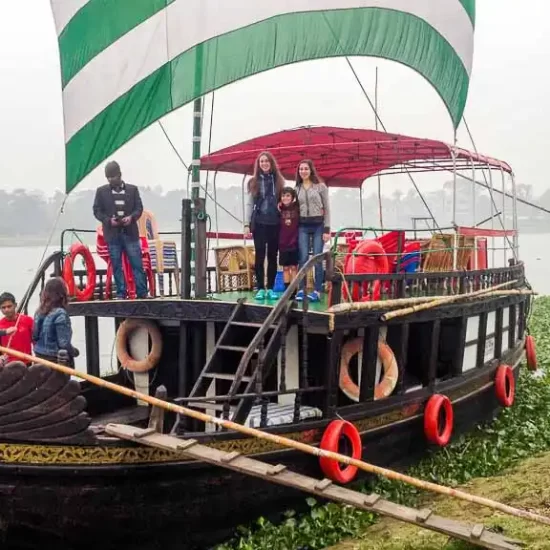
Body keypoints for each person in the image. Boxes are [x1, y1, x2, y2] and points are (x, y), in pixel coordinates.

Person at [93, 160, 148, 299]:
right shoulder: (101, 191)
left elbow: (139, 208)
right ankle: (121, 293)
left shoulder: (132, 190)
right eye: (108, 178)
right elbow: (97, 211)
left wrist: (131, 218)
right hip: (113, 234)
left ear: (120, 175)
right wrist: (108, 221)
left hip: (130, 233)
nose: (111, 180)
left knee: (137, 264)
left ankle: (142, 293)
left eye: (113, 177)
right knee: (117, 266)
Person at [244, 152, 285, 301]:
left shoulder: (280, 181)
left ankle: (272, 288)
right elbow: (249, 204)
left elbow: (285, 201)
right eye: (262, 161)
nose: (264, 163)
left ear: (271, 163)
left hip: (275, 223)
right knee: (260, 256)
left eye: (267, 161)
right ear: (258, 164)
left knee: (273, 256)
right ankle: (261, 287)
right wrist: (246, 224)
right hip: (259, 223)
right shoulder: (253, 182)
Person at [295, 160, 331, 303]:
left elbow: (327, 208)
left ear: (311, 170)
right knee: (302, 257)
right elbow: (292, 207)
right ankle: (301, 289)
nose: (303, 171)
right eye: (301, 169)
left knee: (317, 257)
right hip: (302, 225)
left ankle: (317, 290)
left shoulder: (320, 187)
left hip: (318, 226)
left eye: (306, 169)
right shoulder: (297, 188)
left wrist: (327, 229)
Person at [33, 278, 79, 366]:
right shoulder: (60, 314)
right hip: (54, 357)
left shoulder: (39, 311)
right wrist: (74, 352)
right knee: (69, 358)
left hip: (39, 355)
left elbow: (35, 336)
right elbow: (63, 343)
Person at [0, 292, 34, 364]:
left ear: (15, 305)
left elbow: (36, 342)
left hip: (27, 362)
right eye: (3, 307)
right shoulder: (0, 325)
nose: (6, 309)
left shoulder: (28, 320)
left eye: (9, 306)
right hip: (8, 365)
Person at [278, 186, 300, 292]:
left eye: (288, 196)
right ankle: (287, 290)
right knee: (285, 268)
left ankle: (294, 289)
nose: (285, 198)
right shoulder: (279, 209)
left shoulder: (297, 208)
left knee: (294, 267)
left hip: (294, 242)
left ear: (292, 197)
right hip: (283, 243)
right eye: (283, 195)